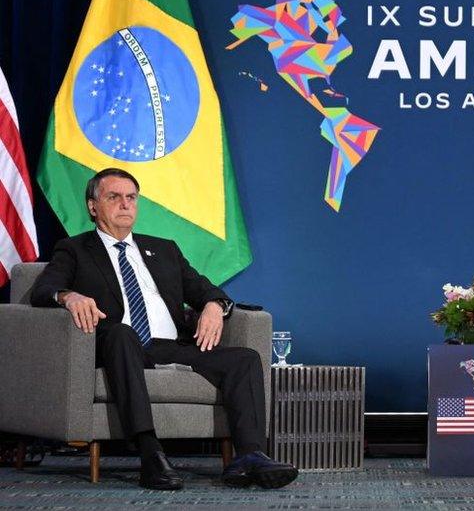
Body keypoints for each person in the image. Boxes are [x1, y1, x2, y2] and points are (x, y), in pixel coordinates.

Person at [30, 168, 298, 490]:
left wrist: (214, 306)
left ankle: (249, 456)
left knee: (243, 359)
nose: (125, 204)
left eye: (131, 197)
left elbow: (205, 289)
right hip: (117, 345)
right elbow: (44, 289)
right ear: (92, 206)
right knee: (121, 332)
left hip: (167, 345)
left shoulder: (164, 249)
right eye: (113, 197)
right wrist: (69, 296)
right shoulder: (74, 249)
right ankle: (150, 453)